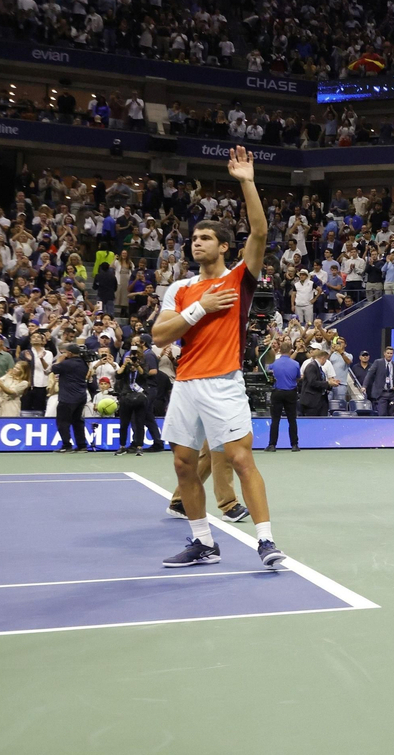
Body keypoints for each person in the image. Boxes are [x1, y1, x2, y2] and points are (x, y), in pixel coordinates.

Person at [151, 146, 286, 570]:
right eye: (193, 238)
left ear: (225, 246)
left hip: (224, 381)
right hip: (185, 385)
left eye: (205, 238)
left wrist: (246, 180)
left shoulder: (239, 277)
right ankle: (203, 542)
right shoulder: (182, 289)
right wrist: (200, 308)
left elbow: (260, 233)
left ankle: (265, 541)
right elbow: (159, 334)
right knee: (183, 463)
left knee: (242, 459)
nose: (196, 243)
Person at [52, 343, 90, 452]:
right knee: (77, 421)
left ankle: (66, 445)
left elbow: (53, 368)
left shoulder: (66, 363)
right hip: (81, 396)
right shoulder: (83, 363)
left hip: (67, 398)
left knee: (62, 422)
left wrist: (60, 359)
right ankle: (82, 445)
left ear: (69, 353)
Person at [266, 348, 301, 451]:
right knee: (292, 419)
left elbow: (269, 376)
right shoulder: (295, 364)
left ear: (280, 351)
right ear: (290, 351)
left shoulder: (274, 364)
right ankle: (294, 445)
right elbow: (298, 377)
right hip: (291, 392)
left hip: (277, 392)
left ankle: (272, 445)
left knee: (275, 420)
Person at [299, 347, 334, 416]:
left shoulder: (318, 368)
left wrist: (330, 384)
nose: (326, 361)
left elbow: (320, 381)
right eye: (326, 359)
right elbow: (313, 382)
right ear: (323, 358)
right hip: (312, 401)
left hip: (321, 400)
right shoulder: (311, 366)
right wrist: (328, 383)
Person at [364, 345, 394, 416]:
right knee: (382, 414)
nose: (389, 355)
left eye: (391, 353)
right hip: (381, 393)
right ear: (384, 353)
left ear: (393, 354)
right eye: (388, 353)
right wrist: (364, 386)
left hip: (392, 393)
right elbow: (369, 374)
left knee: (392, 414)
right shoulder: (378, 362)